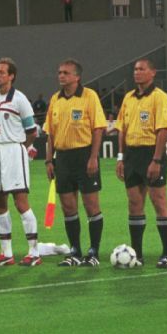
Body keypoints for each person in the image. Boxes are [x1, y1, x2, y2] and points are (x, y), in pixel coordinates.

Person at [44, 58, 107, 266]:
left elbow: (98, 128)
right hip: (62, 158)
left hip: (84, 155)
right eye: (60, 72)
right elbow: (50, 133)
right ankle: (75, 252)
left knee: (91, 205)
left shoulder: (89, 96)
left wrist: (93, 157)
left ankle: (94, 251)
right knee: (68, 206)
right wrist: (48, 160)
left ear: (77, 77)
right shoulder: (55, 99)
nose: (61, 76)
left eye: (66, 73)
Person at [115, 58, 167, 268]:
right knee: (134, 204)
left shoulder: (160, 98)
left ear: (152, 73)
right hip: (131, 155)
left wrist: (156, 160)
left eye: (141, 69)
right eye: (135, 69)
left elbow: (164, 130)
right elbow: (122, 128)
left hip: (151, 153)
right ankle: (136, 255)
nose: (137, 73)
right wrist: (121, 157)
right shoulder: (128, 98)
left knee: (159, 201)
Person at [0, 57, 41, 267]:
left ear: (11, 76)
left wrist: (20, 149)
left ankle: (34, 253)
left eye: (1, 72)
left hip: (14, 151)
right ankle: (6, 254)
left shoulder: (20, 99)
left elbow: (32, 131)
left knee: (20, 202)